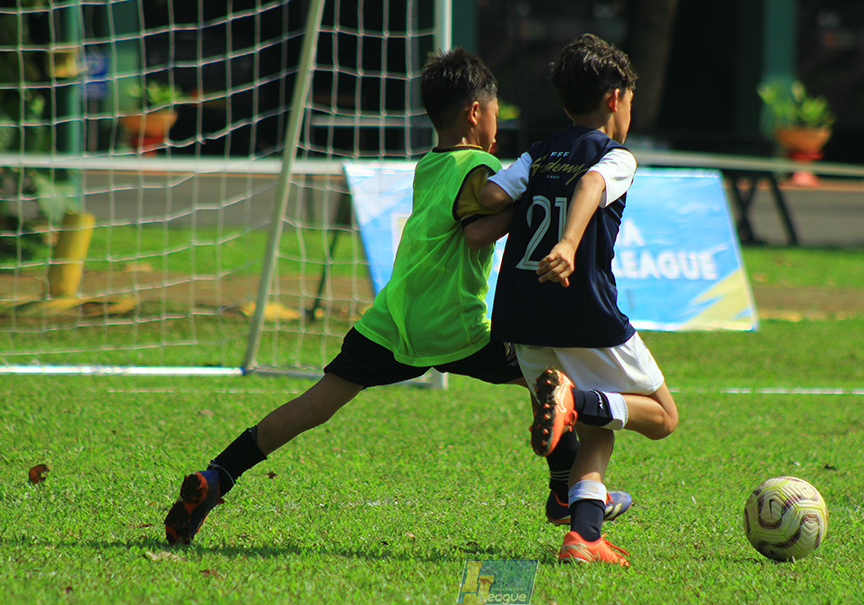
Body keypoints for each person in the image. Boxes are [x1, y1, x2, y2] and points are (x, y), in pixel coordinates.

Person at [163, 47, 632, 546]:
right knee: (549, 383)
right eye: (495, 113)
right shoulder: (478, 165)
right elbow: (477, 234)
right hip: (453, 323)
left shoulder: (431, 162)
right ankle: (564, 492)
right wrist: (533, 201)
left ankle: (218, 475)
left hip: (393, 316)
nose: (497, 126)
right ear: (476, 112)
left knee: (315, 404)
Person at [479, 34, 680, 566]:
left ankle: (585, 537)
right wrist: (568, 244)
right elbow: (591, 183)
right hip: (581, 310)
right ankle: (577, 400)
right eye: (630, 101)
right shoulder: (615, 156)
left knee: (600, 428)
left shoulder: (539, 153)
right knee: (662, 417)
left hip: (522, 314)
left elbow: (492, 194)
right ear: (615, 99)